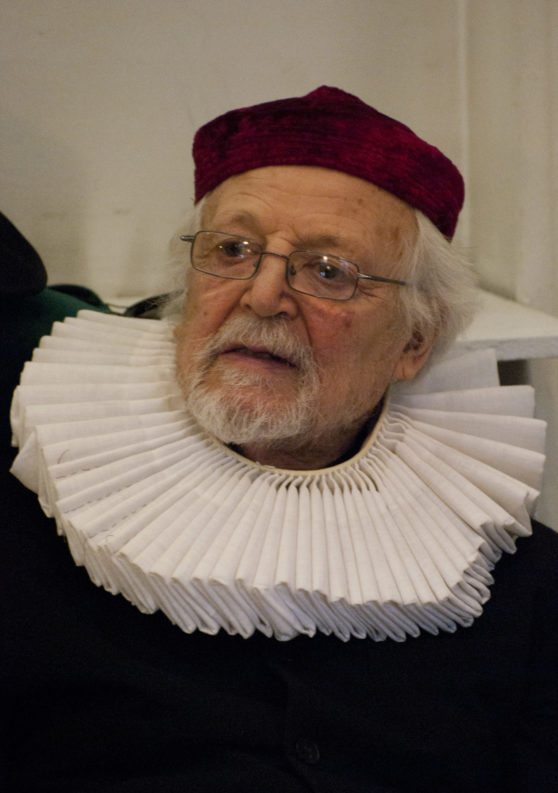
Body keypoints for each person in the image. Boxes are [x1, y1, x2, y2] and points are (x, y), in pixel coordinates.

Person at [3, 86, 558, 792]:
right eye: (232, 250)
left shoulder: (506, 580)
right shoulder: (33, 506)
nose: (263, 296)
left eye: (330, 271)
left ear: (413, 342)